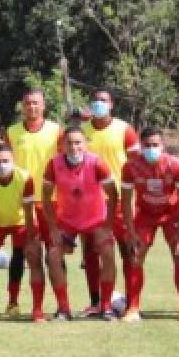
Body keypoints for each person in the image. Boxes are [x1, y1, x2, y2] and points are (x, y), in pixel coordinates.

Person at [42, 126, 119, 321]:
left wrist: (107, 227)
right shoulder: (53, 164)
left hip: (95, 220)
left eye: (78, 142)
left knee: (108, 254)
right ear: (62, 145)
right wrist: (53, 228)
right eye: (69, 142)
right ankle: (63, 308)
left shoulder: (97, 163)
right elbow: (45, 196)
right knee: (52, 256)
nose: (74, 147)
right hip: (67, 221)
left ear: (85, 144)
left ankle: (106, 306)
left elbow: (113, 195)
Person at [119, 126, 179, 322]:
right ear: (141, 146)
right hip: (145, 215)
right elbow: (126, 201)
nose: (152, 148)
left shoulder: (176, 165)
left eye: (155, 145)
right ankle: (133, 307)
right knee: (136, 256)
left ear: (163, 146)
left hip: (172, 214)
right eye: (147, 145)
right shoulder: (130, 167)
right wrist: (130, 230)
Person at [2, 88, 62, 318]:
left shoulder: (56, 131)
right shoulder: (12, 131)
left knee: (53, 254)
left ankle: (60, 306)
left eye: (36, 103)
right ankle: (13, 302)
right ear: (22, 106)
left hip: (51, 201)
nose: (32, 107)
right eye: (28, 103)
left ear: (43, 106)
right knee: (19, 253)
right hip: (21, 202)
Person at [80, 88, 140, 313]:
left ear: (112, 104)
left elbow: (137, 165)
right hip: (90, 203)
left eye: (103, 100)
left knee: (127, 251)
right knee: (91, 253)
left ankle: (132, 303)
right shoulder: (82, 132)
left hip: (120, 201)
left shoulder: (125, 130)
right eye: (95, 100)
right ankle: (96, 302)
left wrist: (136, 196)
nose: (98, 103)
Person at [0, 142, 41, 322]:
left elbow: (28, 211)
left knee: (34, 259)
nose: (2, 165)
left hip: (20, 221)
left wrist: (32, 239)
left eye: (5, 160)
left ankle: (36, 310)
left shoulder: (25, 177)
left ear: (13, 160)